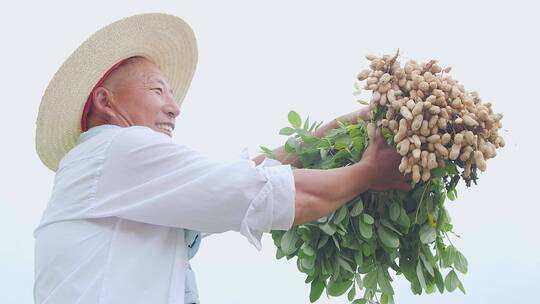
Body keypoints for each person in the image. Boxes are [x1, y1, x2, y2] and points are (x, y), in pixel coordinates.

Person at [33, 13, 410, 304]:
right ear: (105, 101)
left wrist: (334, 129)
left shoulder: (107, 169)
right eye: (157, 90)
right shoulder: (118, 149)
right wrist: (367, 173)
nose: (175, 107)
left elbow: (238, 178)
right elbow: (257, 193)